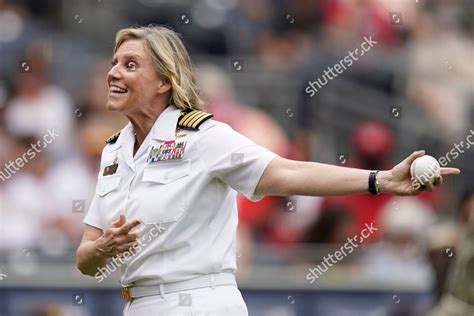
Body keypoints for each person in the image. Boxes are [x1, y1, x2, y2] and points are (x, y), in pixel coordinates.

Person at [75, 25, 460, 316]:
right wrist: (105, 248)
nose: (113, 73)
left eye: (130, 65)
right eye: (114, 63)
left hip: (198, 303)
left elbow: (287, 173)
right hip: (138, 306)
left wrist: (380, 180)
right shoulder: (114, 152)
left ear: (163, 81)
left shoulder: (201, 136)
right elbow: (85, 260)